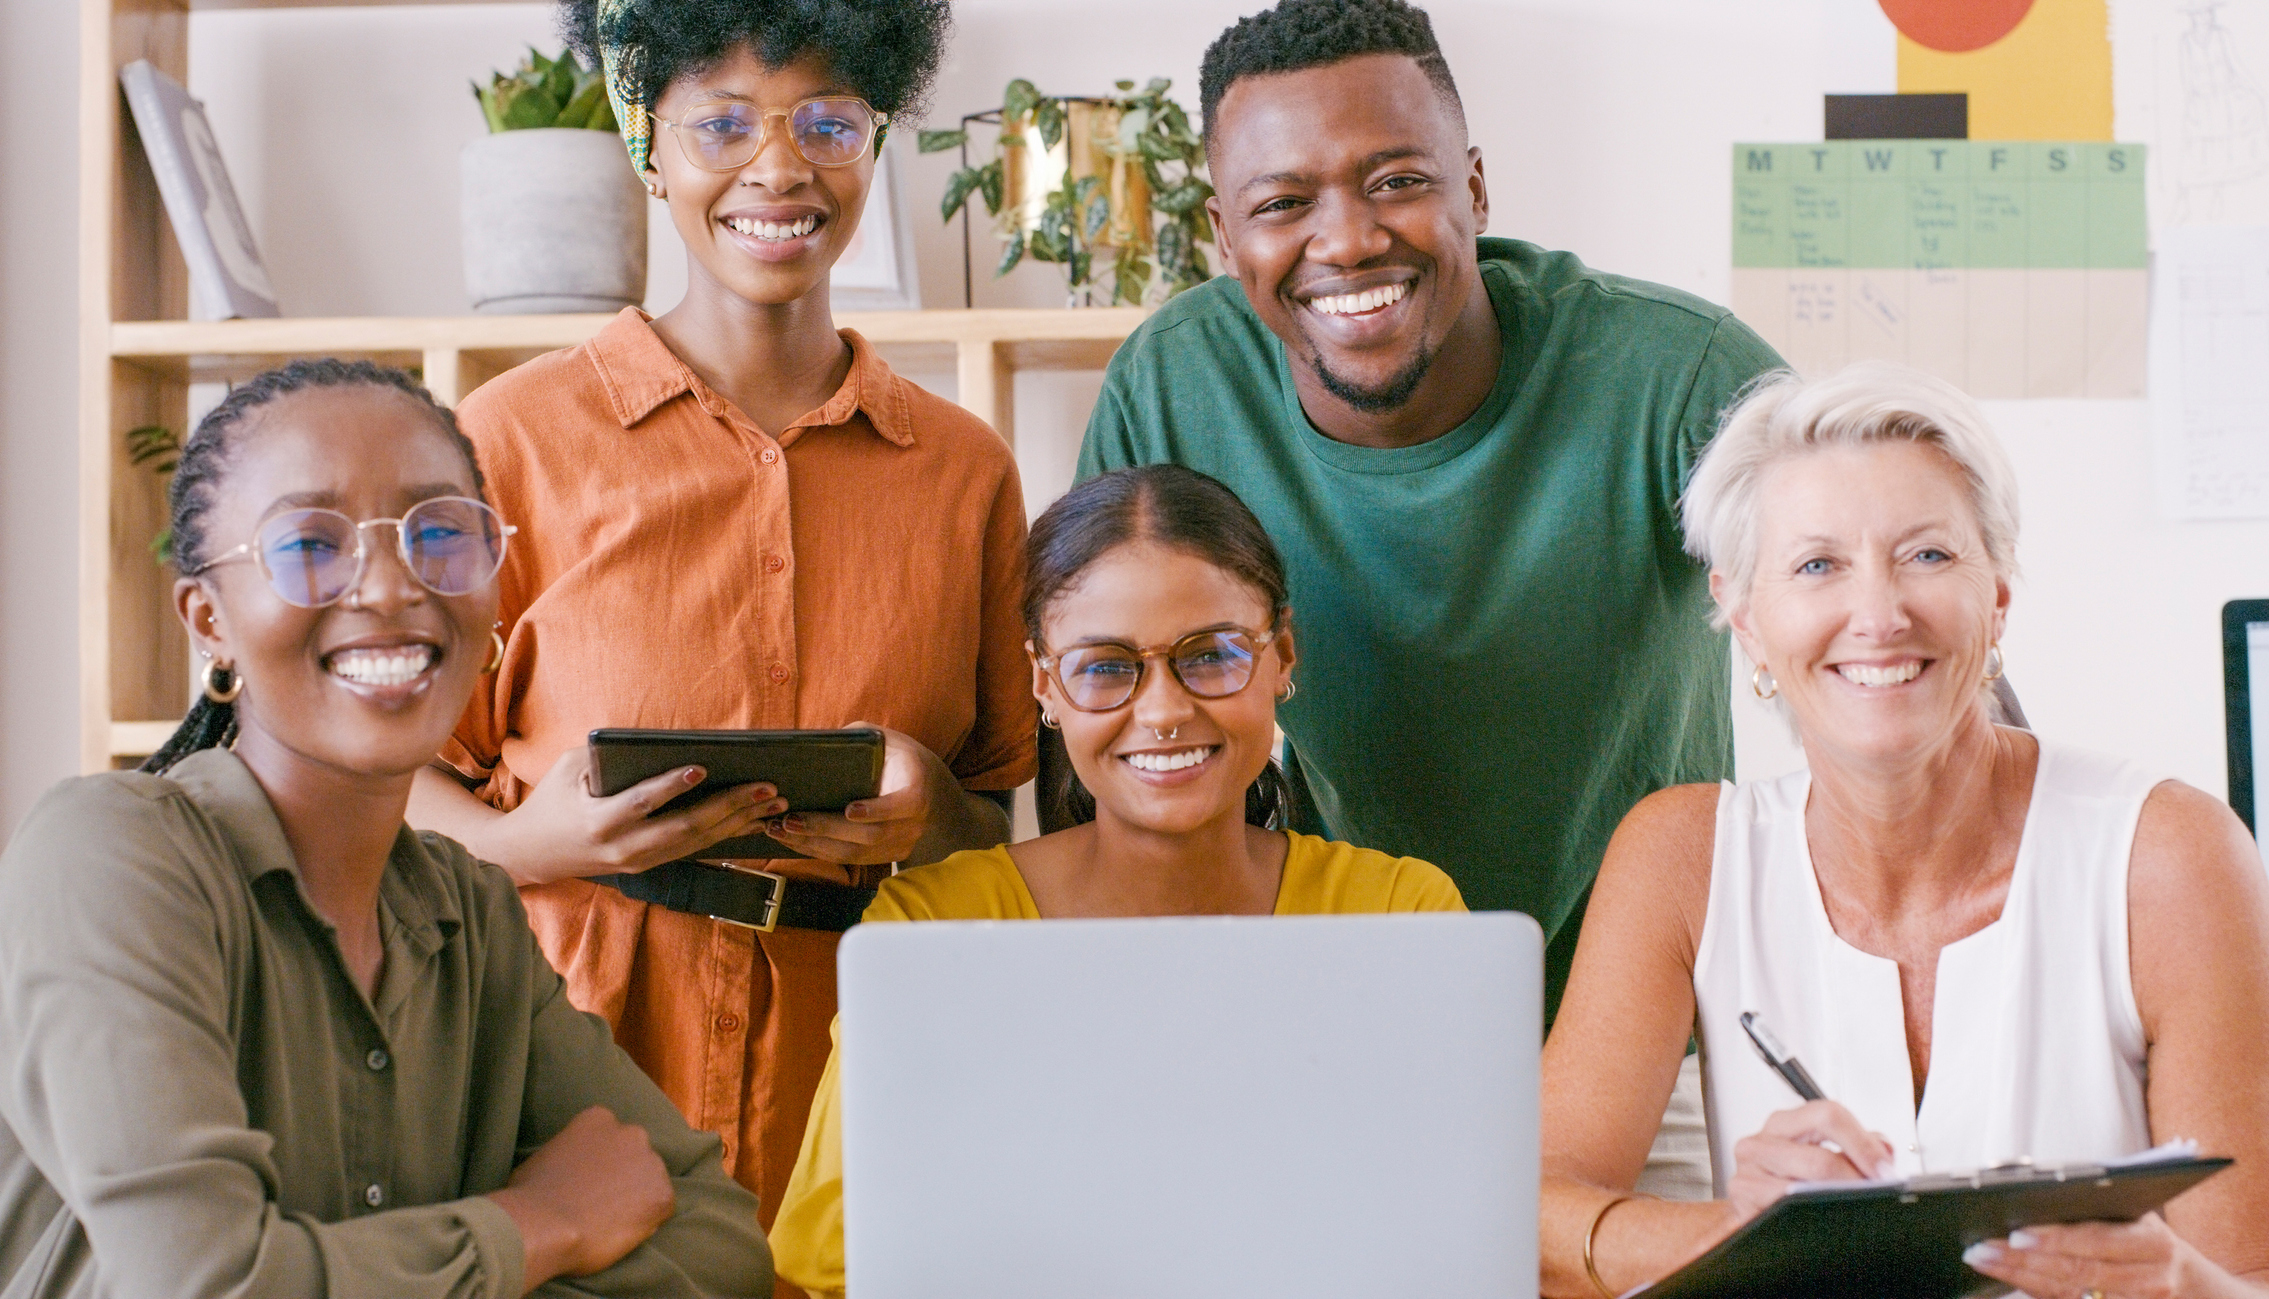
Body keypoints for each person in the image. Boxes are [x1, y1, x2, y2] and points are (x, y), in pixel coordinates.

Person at [1073, 0, 1786, 1193]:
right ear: (1224, 230)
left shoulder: (1681, 378)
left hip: (1647, 1037)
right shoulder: (1175, 383)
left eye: (1396, 180)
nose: (1346, 240)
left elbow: (1871, 627)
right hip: (1325, 1024)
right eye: (1283, 203)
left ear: (1477, 189)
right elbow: (1106, 728)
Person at [404, 0, 1037, 1261]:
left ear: (875, 142)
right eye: (723, 123)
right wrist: (528, 839)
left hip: (869, 1078)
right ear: (649, 145)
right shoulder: (507, 441)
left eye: (828, 123)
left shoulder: (965, 472)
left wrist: (934, 815)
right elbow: (390, 776)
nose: (780, 166)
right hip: (567, 1066)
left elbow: (997, 815)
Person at [0, 360, 771, 1298]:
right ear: (209, 619)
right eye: (310, 542)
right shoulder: (110, 859)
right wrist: (544, 1223)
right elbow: (201, 1281)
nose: (390, 586)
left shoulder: (469, 914)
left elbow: (721, 1239)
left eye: (440, 532)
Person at [1538, 362, 2269, 1299]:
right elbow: (1529, 1214)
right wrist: (1746, 1239)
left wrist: (2184, 1286)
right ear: (1743, 615)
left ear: (1998, 596)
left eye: (1928, 556)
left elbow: (2266, 1282)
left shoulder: (2170, 853)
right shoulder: (1683, 856)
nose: (1878, 614)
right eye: (1816, 565)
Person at [765, 465, 1468, 1297]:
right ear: (1044, 686)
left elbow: (1449, 1231)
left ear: (1282, 655)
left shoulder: (1399, 916)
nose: (1163, 709)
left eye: (1210, 655)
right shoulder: (933, 927)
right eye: (1105, 666)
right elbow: (832, 1260)